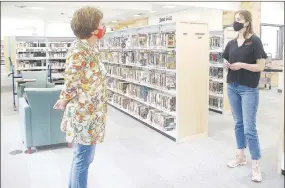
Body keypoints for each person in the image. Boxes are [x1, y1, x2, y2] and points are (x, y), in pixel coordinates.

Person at [53, 6, 107, 188]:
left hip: (92, 115)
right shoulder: (79, 51)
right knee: (82, 159)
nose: (103, 26)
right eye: (100, 24)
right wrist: (63, 99)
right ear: (93, 29)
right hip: (84, 116)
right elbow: (71, 82)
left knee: (84, 158)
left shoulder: (90, 48)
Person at [223, 10, 267, 182]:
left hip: (248, 88)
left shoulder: (255, 41)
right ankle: (240, 156)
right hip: (232, 86)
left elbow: (260, 66)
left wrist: (242, 65)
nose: (236, 22)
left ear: (247, 23)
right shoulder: (232, 43)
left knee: (249, 127)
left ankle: (255, 165)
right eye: (235, 20)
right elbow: (225, 59)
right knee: (238, 123)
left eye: (239, 20)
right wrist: (227, 65)